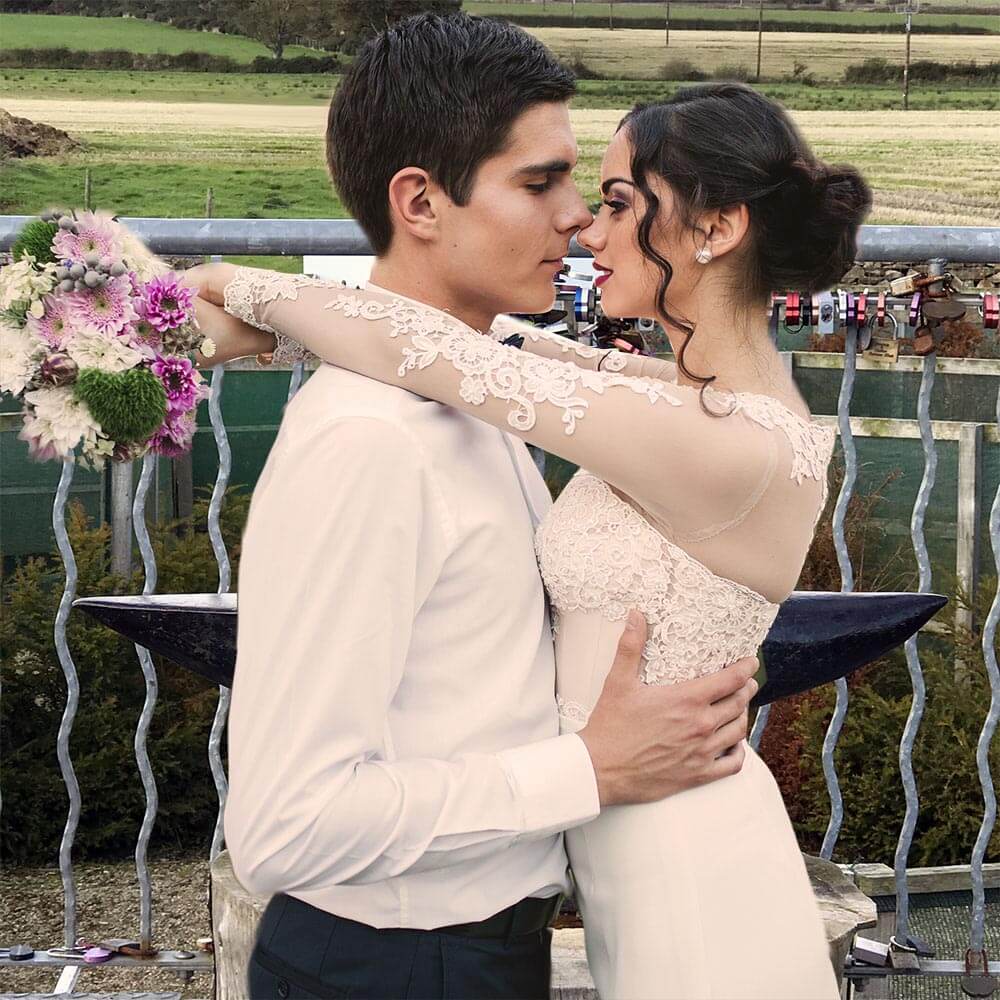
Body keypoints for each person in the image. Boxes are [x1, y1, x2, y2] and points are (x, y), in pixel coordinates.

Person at [188, 14, 766, 1000]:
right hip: (395, 968)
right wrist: (588, 768)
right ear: (418, 200)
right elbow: (285, 824)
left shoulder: (476, 385)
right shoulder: (368, 444)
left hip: (473, 955)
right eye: (538, 184)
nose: (578, 219)